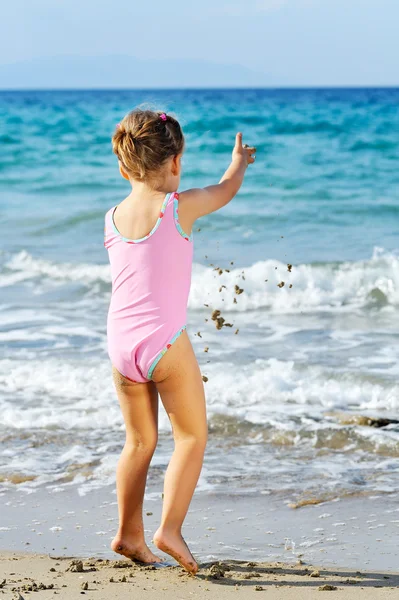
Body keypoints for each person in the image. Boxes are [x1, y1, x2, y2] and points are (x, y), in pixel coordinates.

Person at [104, 108, 256, 574]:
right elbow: (225, 191)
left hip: (121, 344)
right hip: (164, 341)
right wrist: (239, 163)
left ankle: (128, 534)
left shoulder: (111, 216)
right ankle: (168, 528)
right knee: (191, 436)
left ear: (125, 166)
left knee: (138, 442)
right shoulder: (178, 206)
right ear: (175, 163)